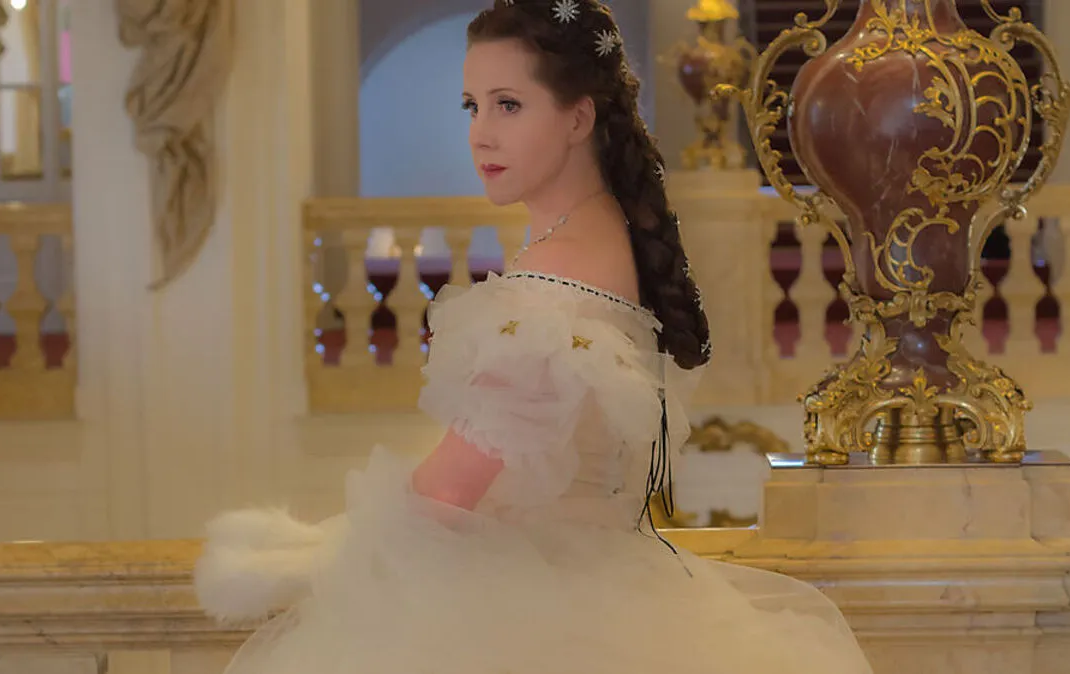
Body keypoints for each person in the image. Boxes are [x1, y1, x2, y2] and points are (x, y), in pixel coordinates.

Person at [194, 2, 874, 672]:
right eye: (472, 106)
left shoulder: (553, 283)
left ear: (578, 117)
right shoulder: (607, 238)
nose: (480, 134)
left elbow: (448, 495)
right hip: (604, 591)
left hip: (537, 610)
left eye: (508, 105)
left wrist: (317, 559)